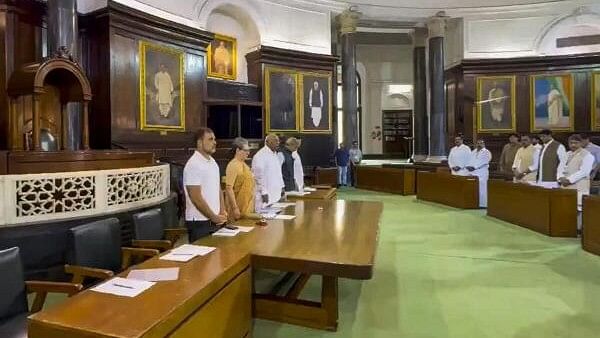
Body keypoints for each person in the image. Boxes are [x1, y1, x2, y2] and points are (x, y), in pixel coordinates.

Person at [183, 128, 227, 242]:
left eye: (215, 139)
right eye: (210, 139)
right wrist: (214, 217)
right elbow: (196, 198)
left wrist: (222, 211)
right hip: (199, 222)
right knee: (203, 259)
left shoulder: (213, 162)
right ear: (199, 142)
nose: (215, 142)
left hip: (216, 220)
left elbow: (218, 189)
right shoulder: (193, 164)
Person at [558, 134, 594, 212]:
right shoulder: (567, 154)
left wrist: (569, 180)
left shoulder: (588, 155)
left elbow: (584, 171)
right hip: (564, 185)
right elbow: (560, 168)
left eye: (576, 143)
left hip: (579, 186)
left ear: (581, 143)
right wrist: (560, 178)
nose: (573, 145)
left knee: (578, 211)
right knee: (565, 209)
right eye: (571, 143)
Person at [224, 137, 256, 221]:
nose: (248, 153)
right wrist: (235, 208)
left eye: (249, 151)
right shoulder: (233, 165)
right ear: (238, 150)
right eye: (246, 150)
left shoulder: (244, 164)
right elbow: (229, 188)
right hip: (236, 207)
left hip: (247, 206)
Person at [252, 134, 284, 210]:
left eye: (278, 141)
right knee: (266, 219)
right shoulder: (261, 155)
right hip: (265, 195)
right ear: (267, 142)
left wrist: (282, 187)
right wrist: (264, 192)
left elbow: (278, 172)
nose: (278, 143)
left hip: (275, 194)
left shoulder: (274, 154)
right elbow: (258, 176)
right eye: (275, 141)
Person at [467, 139, 492, 208]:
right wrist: (468, 166)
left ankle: (483, 204)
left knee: (482, 188)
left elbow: (484, 161)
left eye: (481, 143)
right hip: (472, 172)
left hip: (482, 172)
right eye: (478, 143)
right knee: (474, 188)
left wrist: (474, 167)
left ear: (484, 144)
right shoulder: (473, 151)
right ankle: (475, 203)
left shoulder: (486, 152)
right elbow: (469, 160)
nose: (479, 145)